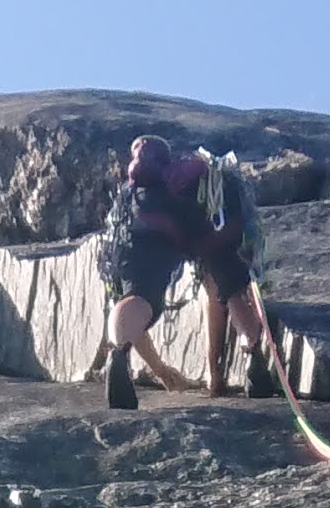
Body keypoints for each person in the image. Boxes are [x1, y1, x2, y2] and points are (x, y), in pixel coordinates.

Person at [99, 134, 271, 411]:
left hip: (148, 220)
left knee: (139, 295)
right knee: (232, 288)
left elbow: (137, 315)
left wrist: (162, 370)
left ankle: (118, 354)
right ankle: (252, 352)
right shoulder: (204, 179)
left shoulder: (134, 192)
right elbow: (214, 294)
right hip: (214, 220)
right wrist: (209, 375)